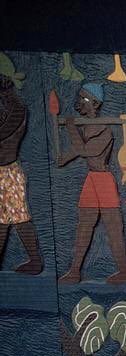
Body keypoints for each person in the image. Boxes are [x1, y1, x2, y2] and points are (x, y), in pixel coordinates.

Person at [57, 82, 126, 284]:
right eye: (80, 97)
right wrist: (65, 157)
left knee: (113, 228)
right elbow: (80, 148)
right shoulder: (87, 126)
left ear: (95, 103)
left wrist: (71, 129)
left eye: (84, 98)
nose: (80, 101)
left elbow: (87, 150)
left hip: (104, 180)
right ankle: (74, 271)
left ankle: (124, 271)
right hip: (92, 179)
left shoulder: (105, 129)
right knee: (84, 227)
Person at [0, 75, 43, 274]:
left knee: (18, 218)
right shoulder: (9, 109)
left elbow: (5, 133)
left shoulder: (17, 110)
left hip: (9, 172)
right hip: (5, 172)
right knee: (6, 219)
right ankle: (34, 260)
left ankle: (35, 260)